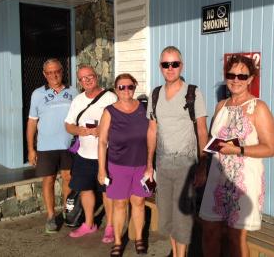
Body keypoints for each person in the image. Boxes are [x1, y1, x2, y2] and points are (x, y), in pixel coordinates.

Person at [199, 55, 274, 257]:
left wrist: (239, 150)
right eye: (231, 74)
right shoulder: (221, 106)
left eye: (242, 76)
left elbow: (270, 148)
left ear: (251, 79)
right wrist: (201, 167)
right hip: (217, 179)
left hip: (243, 182)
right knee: (209, 231)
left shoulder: (258, 108)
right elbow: (211, 140)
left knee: (236, 238)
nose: (235, 80)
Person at [145, 46, 208, 257]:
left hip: (186, 164)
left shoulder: (193, 92)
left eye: (175, 64)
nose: (170, 68)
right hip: (162, 164)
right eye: (165, 64)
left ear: (182, 66)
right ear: (160, 67)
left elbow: (201, 130)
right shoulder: (155, 94)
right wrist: (149, 165)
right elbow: (152, 130)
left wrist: (203, 165)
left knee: (182, 216)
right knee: (169, 218)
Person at [98, 73, 150, 257]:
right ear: (116, 90)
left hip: (142, 164)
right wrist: (101, 168)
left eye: (130, 86)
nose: (126, 90)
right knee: (120, 204)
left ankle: (139, 239)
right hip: (118, 166)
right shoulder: (109, 111)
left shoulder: (144, 108)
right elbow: (102, 141)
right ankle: (118, 241)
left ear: (135, 87)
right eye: (121, 87)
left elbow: (153, 134)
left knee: (139, 202)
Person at [64, 65, 117, 241]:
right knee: (85, 190)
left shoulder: (110, 97)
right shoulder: (78, 100)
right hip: (84, 155)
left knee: (107, 191)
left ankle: (110, 226)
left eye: (90, 76)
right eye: (82, 78)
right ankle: (89, 224)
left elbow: (118, 122)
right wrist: (79, 130)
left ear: (96, 76)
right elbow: (68, 125)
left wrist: (102, 129)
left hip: (106, 155)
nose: (86, 80)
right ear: (79, 82)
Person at [26, 58, 78, 233]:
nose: (54, 75)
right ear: (44, 74)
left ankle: (67, 212)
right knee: (48, 181)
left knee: (68, 178)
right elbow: (32, 123)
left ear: (62, 71)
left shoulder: (73, 91)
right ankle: (50, 216)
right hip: (46, 147)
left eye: (57, 71)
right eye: (49, 72)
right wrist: (31, 149)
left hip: (68, 146)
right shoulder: (37, 94)